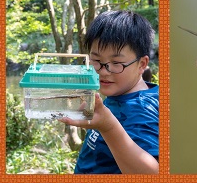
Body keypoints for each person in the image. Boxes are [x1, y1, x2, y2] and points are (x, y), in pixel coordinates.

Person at [60, 10, 159, 174]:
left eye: (116, 62)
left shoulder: (140, 112)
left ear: (142, 64)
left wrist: (108, 128)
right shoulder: (123, 93)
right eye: (97, 60)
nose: (104, 71)